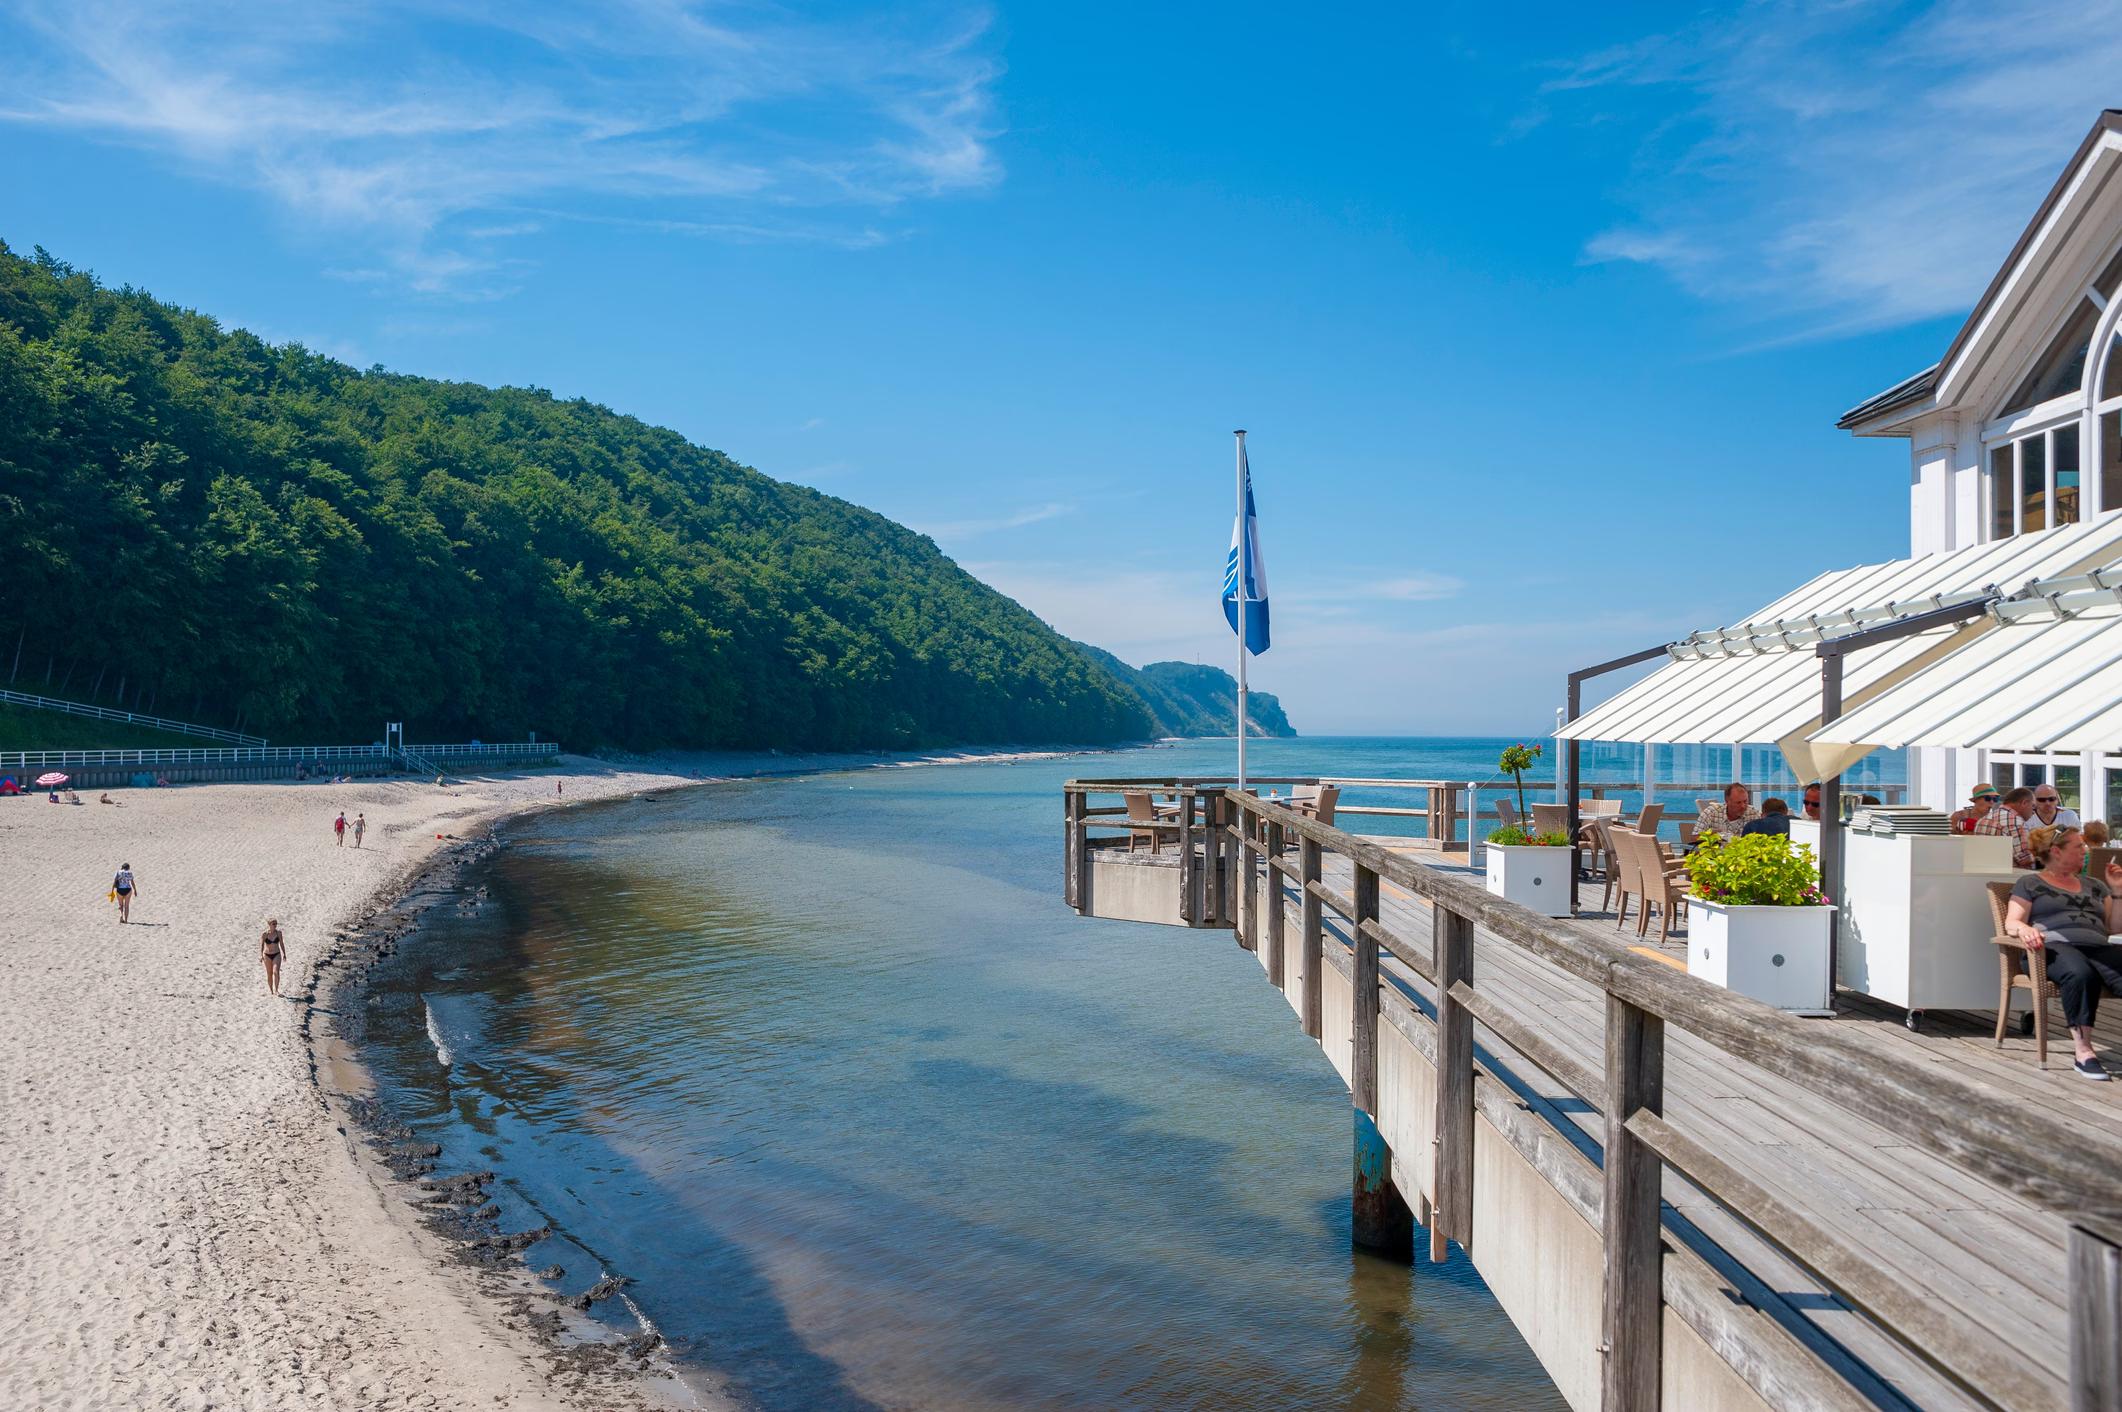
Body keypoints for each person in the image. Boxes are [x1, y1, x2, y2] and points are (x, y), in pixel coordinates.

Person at [2004, 827, 2122, 1081]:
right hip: (2051, 949)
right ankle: (2084, 1052)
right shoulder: (2030, 883)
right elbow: (2011, 923)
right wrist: (2025, 930)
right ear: (2056, 852)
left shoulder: (2096, 886)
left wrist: (2118, 891)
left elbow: (2114, 928)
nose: (2085, 850)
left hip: (2098, 947)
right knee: (2080, 974)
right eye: (2078, 846)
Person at [1975, 786, 2039, 869]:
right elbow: (2025, 860)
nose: (2034, 811)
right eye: (2033, 806)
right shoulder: (2015, 821)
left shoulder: (1983, 819)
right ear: (2024, 803)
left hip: (1983, 874)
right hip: (2010, 877)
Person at [260, 918, 285, 997]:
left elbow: (281, 944)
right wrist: (261, 955)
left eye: (276, 923)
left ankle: (276, 990)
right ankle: (271, 990)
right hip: (267, 955)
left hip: (276, 954)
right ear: (269, 925)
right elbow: (261, 945)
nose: (275, 925)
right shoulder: (265, 934)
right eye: (273, 924)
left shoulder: (279, 933)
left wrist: (284, 953)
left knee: (275, 972)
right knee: (269, 973)